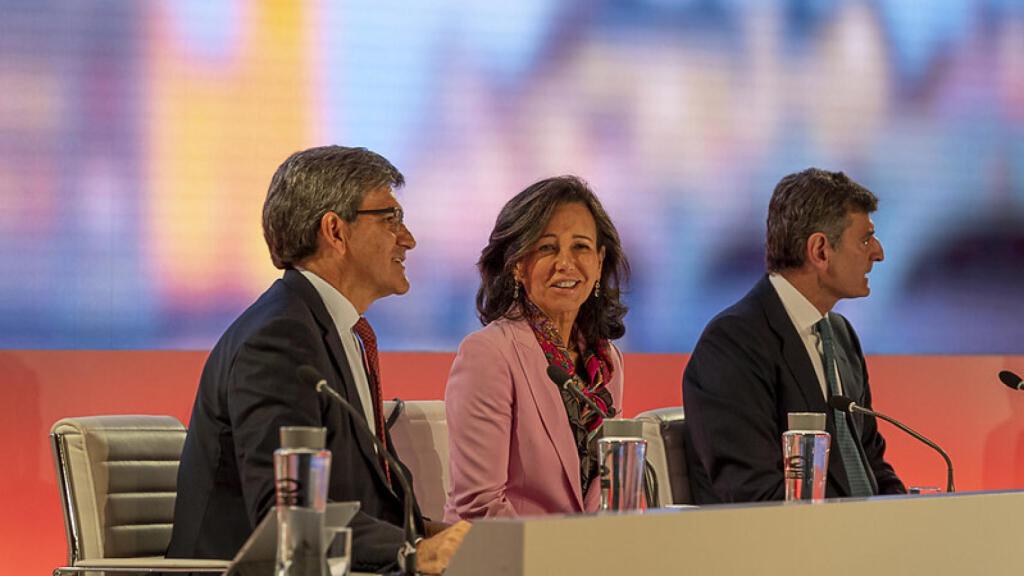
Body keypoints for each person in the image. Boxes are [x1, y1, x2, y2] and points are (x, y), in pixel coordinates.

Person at [166, 146, 470, 574]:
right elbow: (286, 511)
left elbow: (355, 500)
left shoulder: (333, 331)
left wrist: (432, 536)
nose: (408, 239)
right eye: (390, 220)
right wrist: (412, 554)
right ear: (336, 231)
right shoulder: (278, 340)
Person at [682, 168, 906, 503]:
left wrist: (904, 518)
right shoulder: (732, 344)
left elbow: (871, 462)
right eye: (864, 239)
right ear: (819, 251)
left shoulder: (841, 335)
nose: (878, 252)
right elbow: (754, 493)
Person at [444, 175, 630, 521]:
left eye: (581, 247)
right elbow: (480, 506)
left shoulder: (606, 363)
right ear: (517, 264)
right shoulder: (489, 354)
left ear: (600, 261)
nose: (565, 263)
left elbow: (604, 498)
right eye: (547, 247)